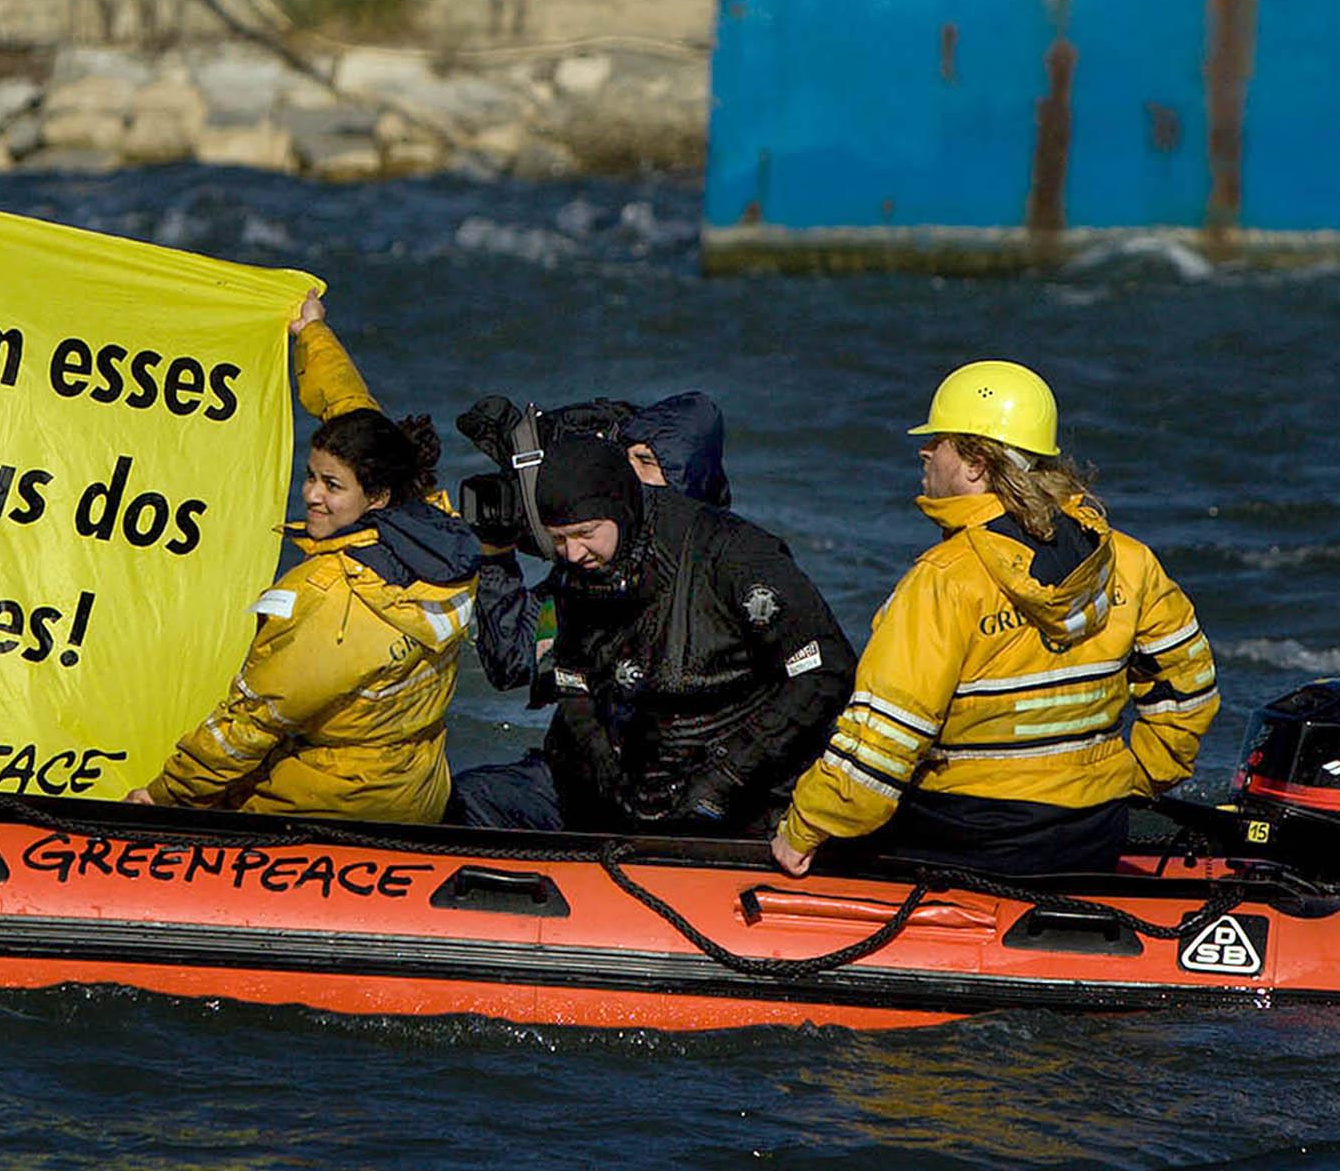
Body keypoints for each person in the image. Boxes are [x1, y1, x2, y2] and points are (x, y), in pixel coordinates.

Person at [770, 360, 1220, 879]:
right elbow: (1190, 693)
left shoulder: (944, 580)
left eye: (939, 441)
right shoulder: (1129, 560)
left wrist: (805, 826)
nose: (925, 451)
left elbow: (884, 739)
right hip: (1093, 832)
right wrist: (1133, 777)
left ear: (976, 465)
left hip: (969, 836)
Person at [125, 295, 480, 824]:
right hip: (419, 788)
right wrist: (313, 335)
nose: (311, 495)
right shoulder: (436, 525)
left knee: (228, 778)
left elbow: (251, 722)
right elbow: (351, 408)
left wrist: (162, 796)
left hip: (340, 800)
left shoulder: (329, 596)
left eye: (331, 485)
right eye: (311, 475)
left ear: (375, 497)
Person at [452, 432, 855, 835]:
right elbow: (568, 680)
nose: (573, 553)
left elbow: (825, 670)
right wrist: (606, 772)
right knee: (468, 799)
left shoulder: (734, 556)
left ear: (620, 509)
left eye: (586, 533)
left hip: (739, 791)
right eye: (558, 539)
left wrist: (724, 779)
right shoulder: (574, 573)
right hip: (619, 787)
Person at [461, 389, 732, 697]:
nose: (629, 472)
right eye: (625, 456)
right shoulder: (591, 566)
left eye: (645, 461)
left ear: (686, 475)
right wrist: (497, 555)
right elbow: (511, 663)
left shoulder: (724, 566)